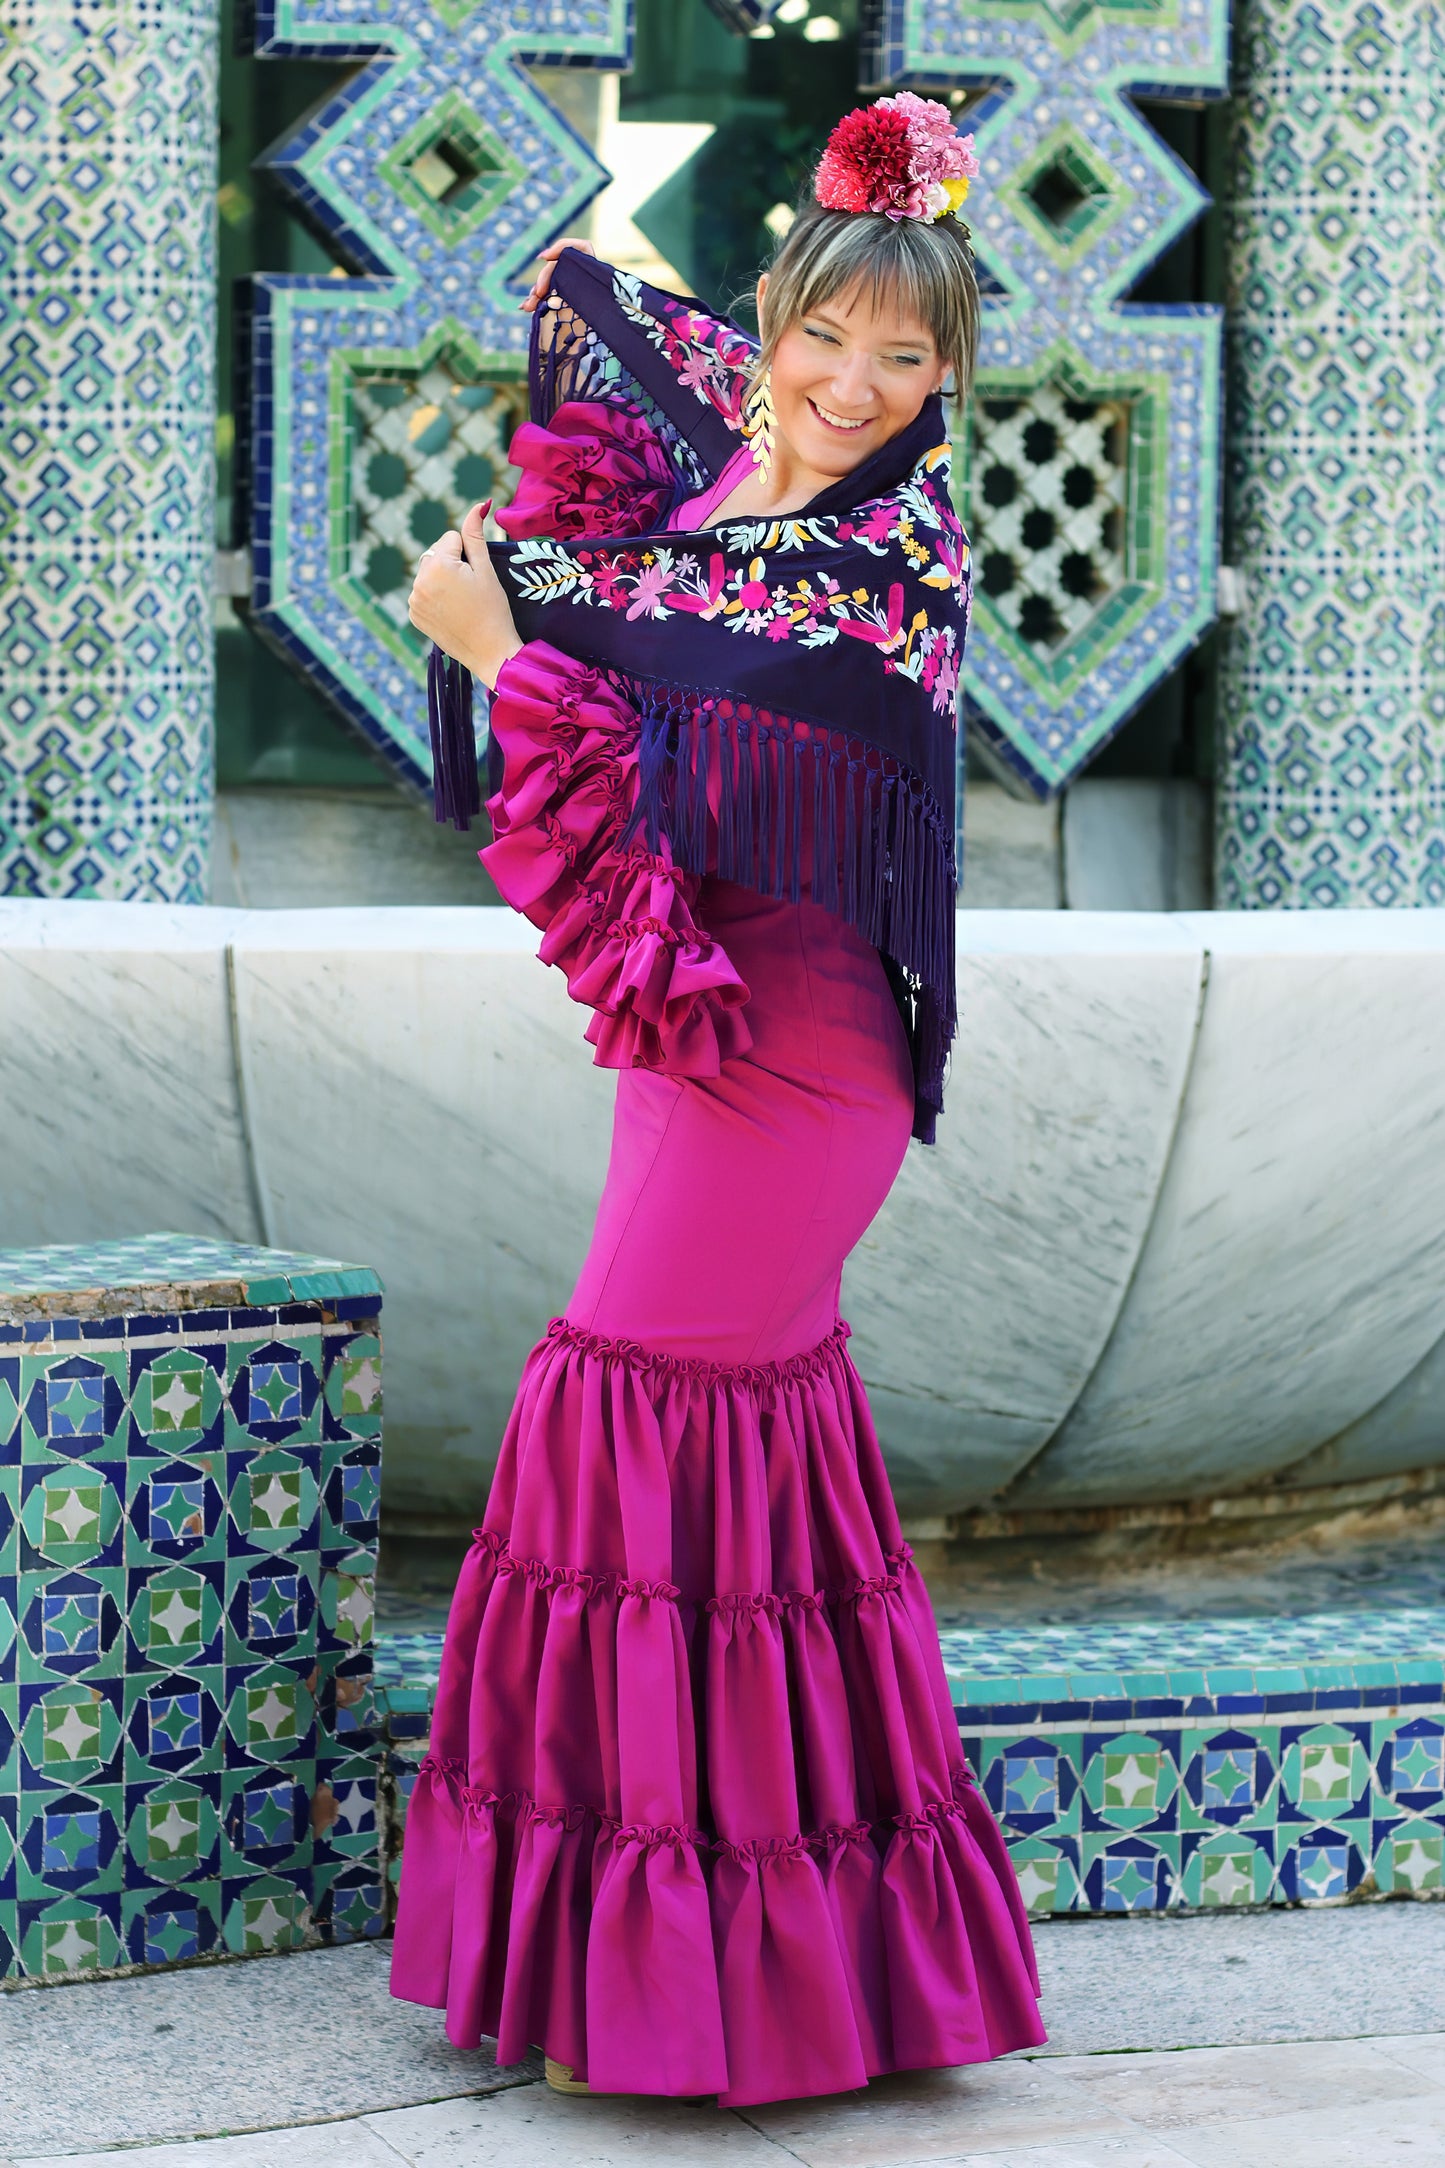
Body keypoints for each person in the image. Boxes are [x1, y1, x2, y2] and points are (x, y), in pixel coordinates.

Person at [390, 94, 1045, 2107]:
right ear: (771, 324)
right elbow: (595, 310)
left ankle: (687, 1977)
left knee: (632, 1404)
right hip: (692, 1040)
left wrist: (509, 624)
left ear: (946, 381)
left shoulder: (888, 565)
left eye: (905, 359)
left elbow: (630, 659)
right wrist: (532, 575)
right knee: (729, 1453)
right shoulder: (724, 468)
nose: (853, 386)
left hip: (806, 1060)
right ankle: (807, 1963)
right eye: (824, 336)